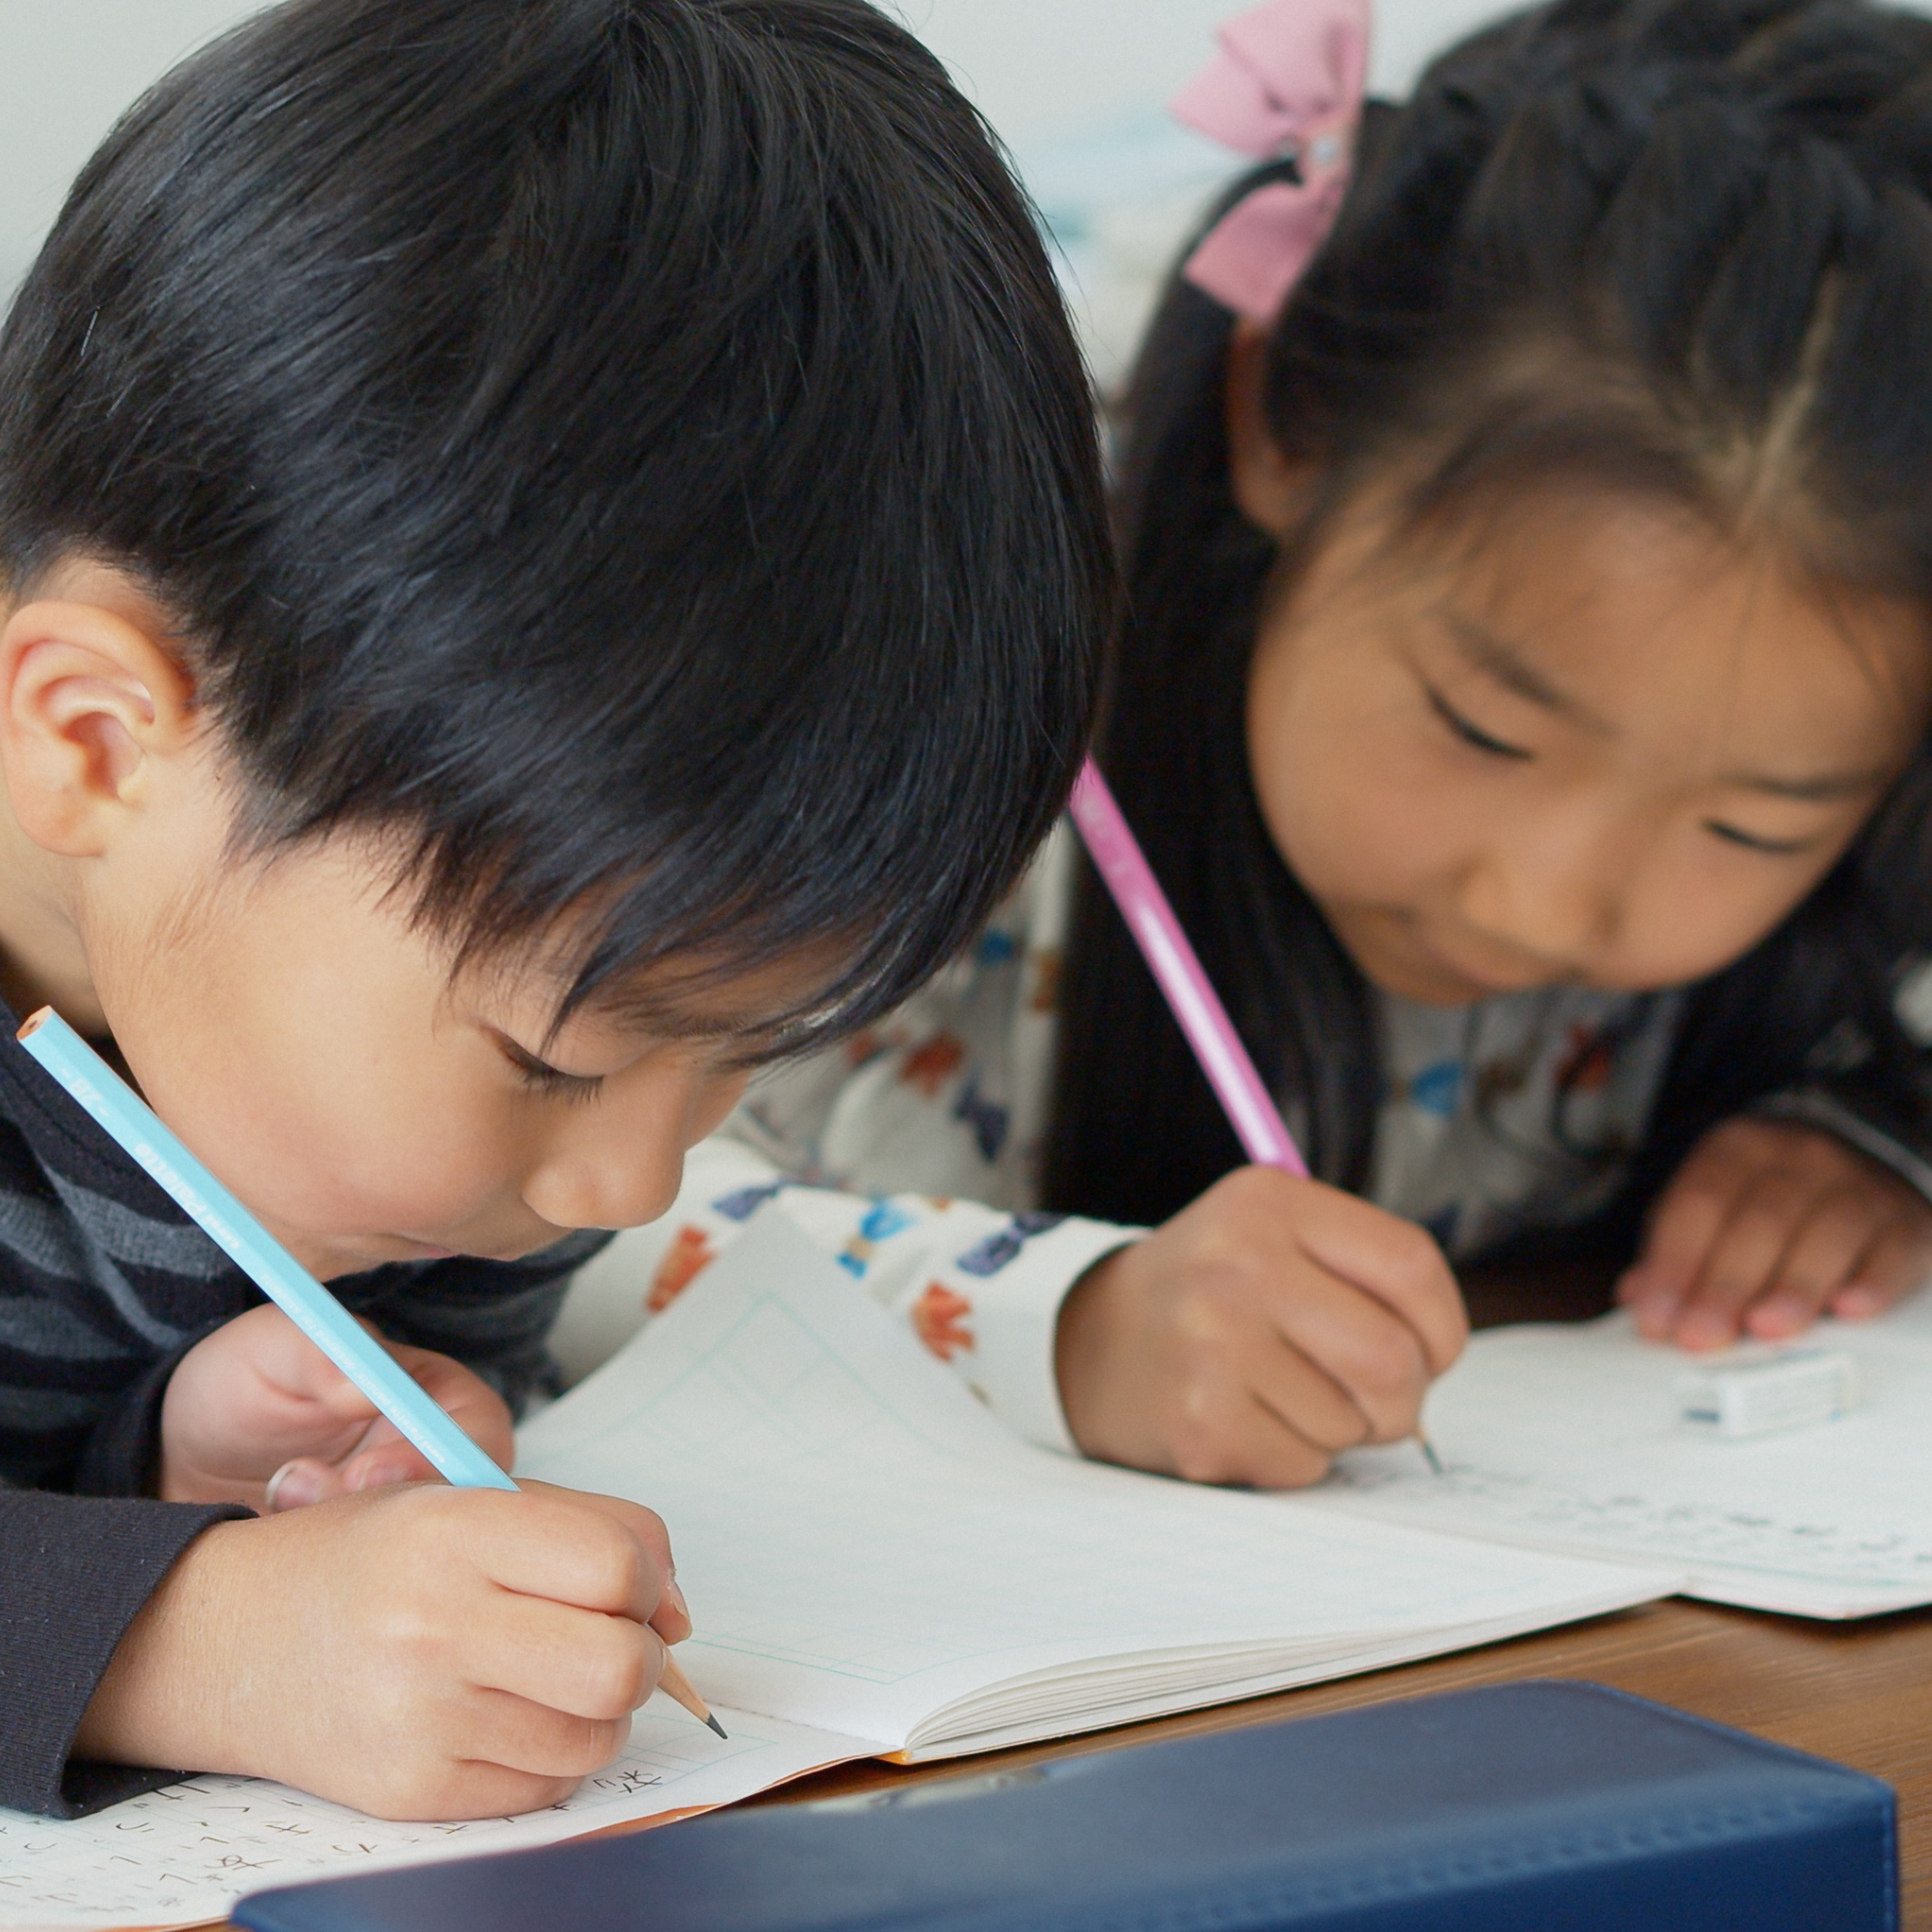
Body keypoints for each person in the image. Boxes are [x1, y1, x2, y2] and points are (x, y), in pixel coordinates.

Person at [559, 0, 1932, 1499]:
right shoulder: (910, 714)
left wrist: (1870, 1139)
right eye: (1484, 728)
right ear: (1284, 418)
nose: (1544, 909)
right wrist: (1069, 1329)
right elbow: (541, 1225)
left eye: (1754, 826)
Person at [0, 0, 1108, 1822]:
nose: (628, 1187)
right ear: (105, 745)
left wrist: (180, 1460)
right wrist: (200, 1637)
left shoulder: (469, 995)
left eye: (742, 1062)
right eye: (553, 1058)